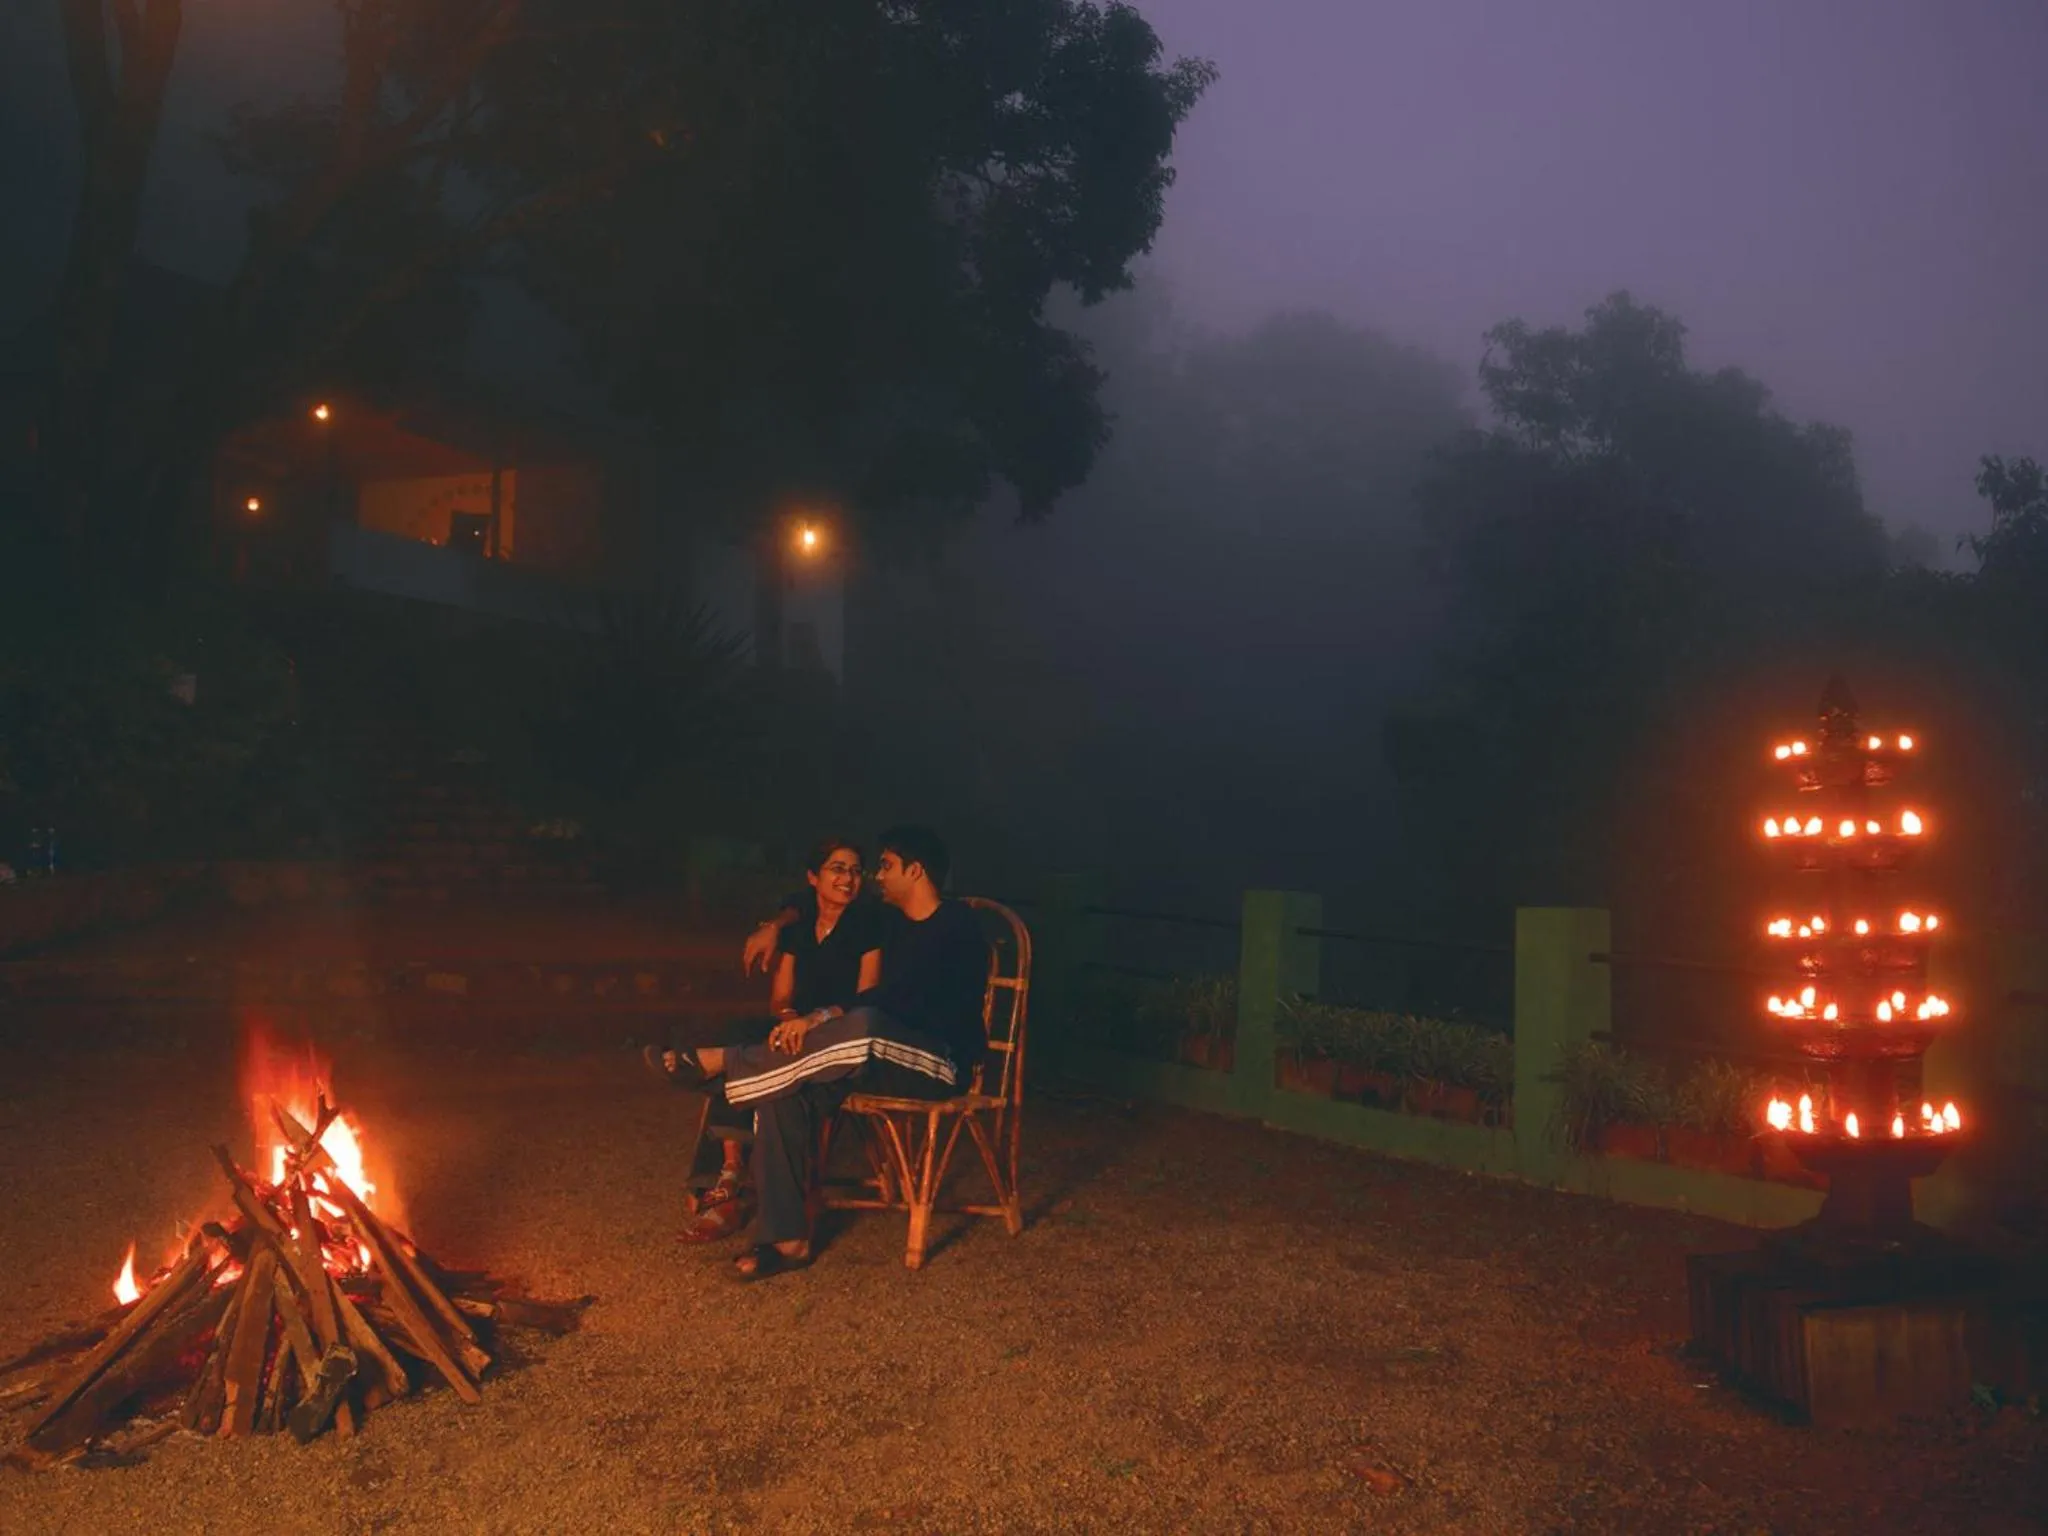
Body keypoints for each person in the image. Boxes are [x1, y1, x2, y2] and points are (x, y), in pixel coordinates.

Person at [664, 825, 989, 1280]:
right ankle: (787, 1239)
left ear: (915, 871)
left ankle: (727, 1064)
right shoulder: (892, 925)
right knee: (784, 1093)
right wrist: (775, 929)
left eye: (885, 866)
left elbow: (898, 1004)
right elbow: (807, 897)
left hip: (937, 1060)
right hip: (873, 1056)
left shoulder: (956, 925)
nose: (877, 876)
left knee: (864, 1024)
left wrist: (820, 1020)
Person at [646, 837, 884, 1240]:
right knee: (743, 1034)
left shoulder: (868, 925)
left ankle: (726, 1185)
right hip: (792, 1029)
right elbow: (780, 998)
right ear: (814, 877)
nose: (848, 878)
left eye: (855, 870)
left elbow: (867, 997)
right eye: (837, 868)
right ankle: (732, 1167)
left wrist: (811, 1021)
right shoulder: (800, 926)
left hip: (835, 1033)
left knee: (741, 1060)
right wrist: (789, 1016)